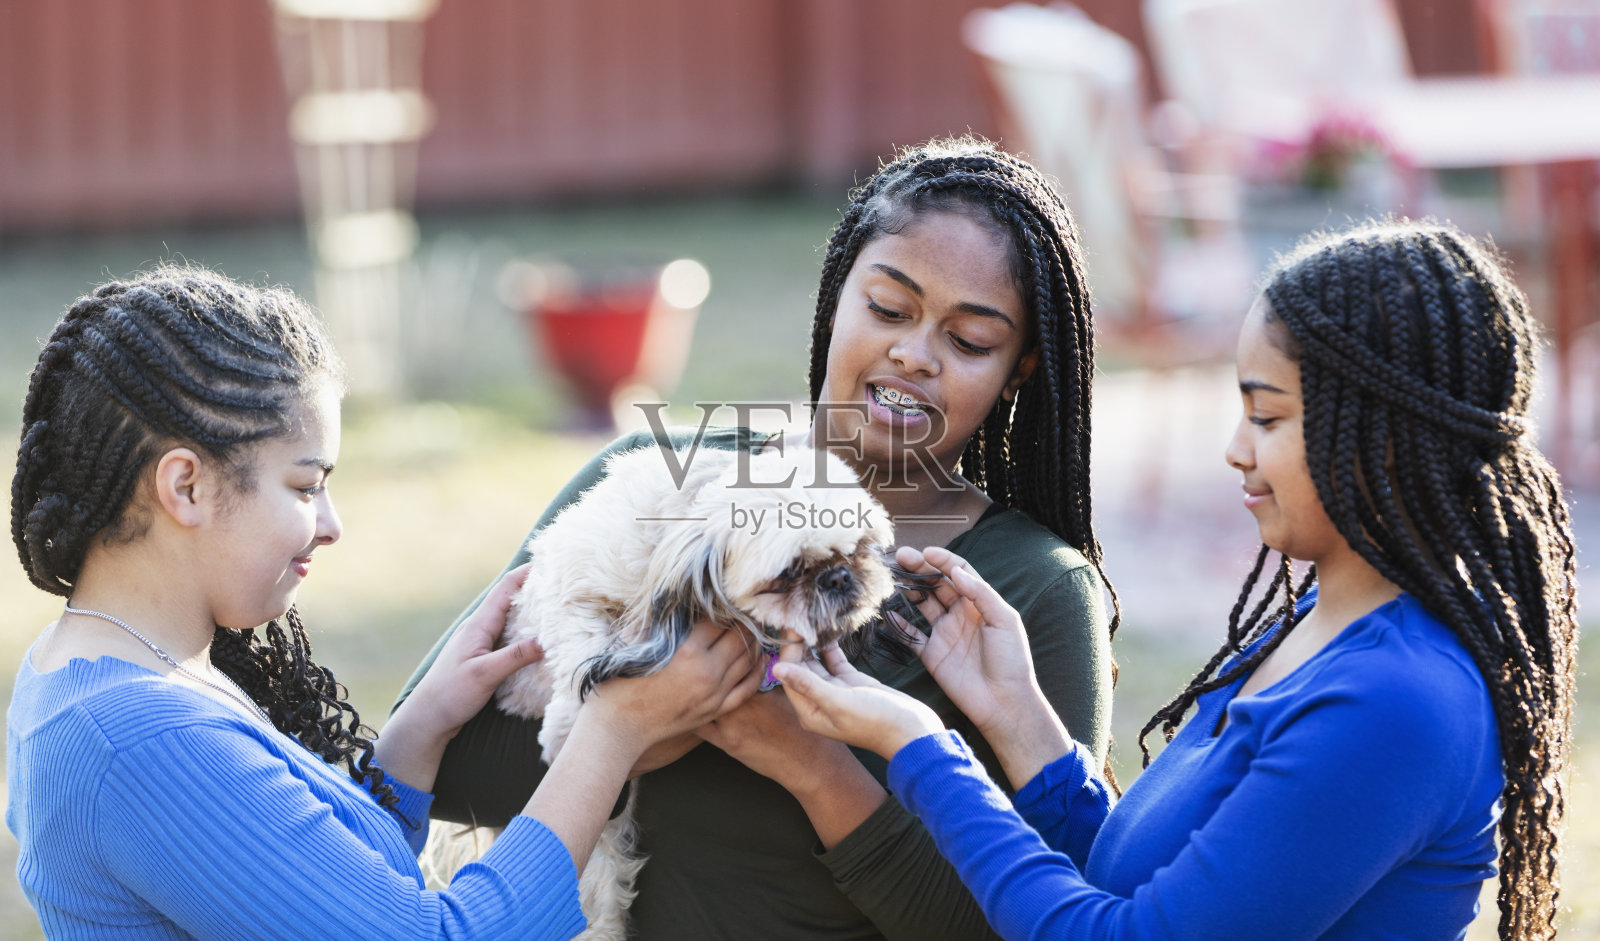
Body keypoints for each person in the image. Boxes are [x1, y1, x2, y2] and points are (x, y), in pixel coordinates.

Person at [770, 220, 1577, 941]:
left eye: (1266, 417)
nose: (1236, 447)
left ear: (1385, 439)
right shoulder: (1312, 624)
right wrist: (1019, 720)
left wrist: (921, 746)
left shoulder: (1397, 701)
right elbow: (1143, 882)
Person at [396, 136, 1119, 939]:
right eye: (888, 308)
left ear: (1018, 369)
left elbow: (1039, 922)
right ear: (836, 295)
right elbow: (434, 771)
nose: (914, 354)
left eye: (971, 340)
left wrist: (812, 765)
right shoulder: (657, 481)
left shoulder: (1026, 593)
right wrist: (644, 719)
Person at [6, 267, 767, 939]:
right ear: (185, 486)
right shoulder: (133, 739)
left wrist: (423, 725)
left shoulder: (116, 665)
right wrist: (614, 725)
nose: (332, 524)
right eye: (305, 486)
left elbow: (330, 892)